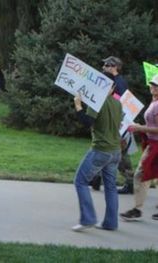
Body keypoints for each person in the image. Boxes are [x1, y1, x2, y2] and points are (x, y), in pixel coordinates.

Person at [72, 72, 122, 232]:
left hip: (101, 150)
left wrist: (78, 105)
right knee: (111, 187)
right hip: (115, 151)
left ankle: (88, 219)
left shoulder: (97, 102)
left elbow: (87, 122)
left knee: (80, 181)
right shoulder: (118, 104)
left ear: (112, 87)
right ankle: (110, 223)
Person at [90, 56, 135, 194]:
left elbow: (122, 105)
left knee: (119, 154)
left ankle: (130, 183)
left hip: (117, 124)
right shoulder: (111, 81)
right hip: (110, 122)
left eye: (106, 65)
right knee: (104, 148)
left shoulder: (119, 83)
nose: (103, 67)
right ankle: (96, 179)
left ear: (114, 67)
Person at [120, 74, 158, 221]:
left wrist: (139, 128)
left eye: (156, 85)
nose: (153, 87)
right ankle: (137, 208)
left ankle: (137, 209)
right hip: (153, 144)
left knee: (140, 175)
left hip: (156, 145)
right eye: (152, 84)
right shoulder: (154, 101)